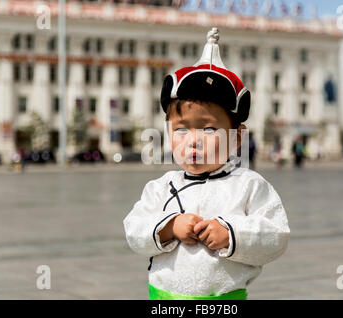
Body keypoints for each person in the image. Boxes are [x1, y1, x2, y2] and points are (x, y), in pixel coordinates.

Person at [123, 28, 290, 300]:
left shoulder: (248, 185)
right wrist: (169, 226)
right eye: (181, 130)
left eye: (209, 129)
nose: (193, 141)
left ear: (237, 137)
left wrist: (231, 234)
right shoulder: (161, 187)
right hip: (164, 298)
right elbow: (134, 229)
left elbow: (276, 235)